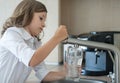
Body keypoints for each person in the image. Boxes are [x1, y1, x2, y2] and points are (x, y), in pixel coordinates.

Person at [0, 0, 68, 83]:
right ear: (27, 15)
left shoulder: (34, 43)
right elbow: (32, 60)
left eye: (44, 21)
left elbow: (44, 75)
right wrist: (57, 38)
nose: (44, 24)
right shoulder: (11, 34)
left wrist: (66, 73)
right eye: (41, 18)